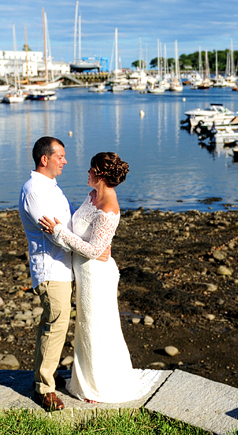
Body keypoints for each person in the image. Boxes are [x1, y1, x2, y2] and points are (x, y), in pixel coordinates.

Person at [38, 152, 158, 404]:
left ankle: (99, 386)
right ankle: (88, 379)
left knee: (96, 328)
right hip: (83, 272)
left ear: (101, 175)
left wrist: (58, 231)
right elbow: (83, 231)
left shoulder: (109, 208)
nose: (87, 172)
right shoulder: (93, 196)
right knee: (85, 327)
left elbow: (95, 251)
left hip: (96, 276)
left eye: (91, 169)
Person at [17, 136, 77, 412]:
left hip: (62, 268)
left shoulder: (52, 187)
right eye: (60, 156)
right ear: (45, 159)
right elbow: (55, 236)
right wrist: (85, 246)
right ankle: (44, 387)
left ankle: (45, 376)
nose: (65, 161)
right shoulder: (34, 191)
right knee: (55, 325)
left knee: (53, 325)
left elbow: (68, 223)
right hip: (51, 269)